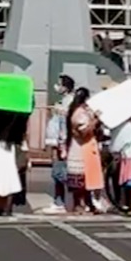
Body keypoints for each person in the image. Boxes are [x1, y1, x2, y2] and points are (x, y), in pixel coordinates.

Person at [65, 87, 101, 213]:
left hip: (84, 147)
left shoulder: (76, 111)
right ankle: (78, 204)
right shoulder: (79, 113)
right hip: (80, 148)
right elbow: (83, 132)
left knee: (86, 179)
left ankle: (88, 203)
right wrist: (95, 121)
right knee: (80, 179)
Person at [45, 75, 75, 213]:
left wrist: (62, 144)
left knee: (59, 173)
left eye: (59, 84)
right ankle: (62, 201)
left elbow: (64, 124)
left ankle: (60, 202)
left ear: (65, 87)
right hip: (58, 141)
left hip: (61, 143)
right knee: (60, 172)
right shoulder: (63, 101)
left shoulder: (68, 102)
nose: (57, 87)